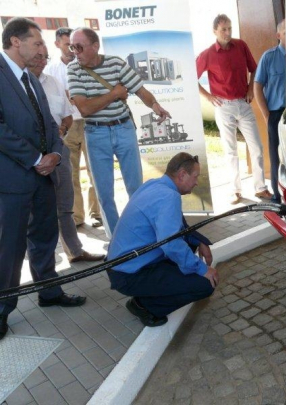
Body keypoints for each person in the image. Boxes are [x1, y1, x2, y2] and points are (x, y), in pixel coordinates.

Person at [0, 18, 86, 340]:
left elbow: (49, 124)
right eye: (36, 43)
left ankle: (49, 292)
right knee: (9, 247)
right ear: (15, 42)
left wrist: (55, 154)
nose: (42, 49)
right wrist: (36, 158)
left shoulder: (31, 79)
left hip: (43, 176)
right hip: (11, 180)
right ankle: (2, 309)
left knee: (45, 237)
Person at [67, 27, 171, 238]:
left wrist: (155, 106)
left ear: (95, 46)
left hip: (124, 129)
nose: (74, 52)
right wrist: (115, 93)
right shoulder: (73, 69)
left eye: (79, 46)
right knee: (104, 194)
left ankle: (143, 234)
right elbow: (84, 108)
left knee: (136, 188)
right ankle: (116, 240)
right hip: (95, 134)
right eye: (72, 47)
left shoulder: (116, 63)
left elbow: (140, 90)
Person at [107, 152, 217, 327]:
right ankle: (143, 305)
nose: (196, 182)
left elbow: (179, 227)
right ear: (182, 174)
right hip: (130, 274)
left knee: (188, 245)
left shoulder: (155, 185)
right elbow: (171, 243)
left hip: (121, 266)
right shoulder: (169, 196)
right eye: (195, 177)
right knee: (205, 285)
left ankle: (153, 290)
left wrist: (199, 241)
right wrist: (202, 269)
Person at [29, 48, 106, 264]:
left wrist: (60, 134)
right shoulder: (15, 85)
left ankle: (75, 251)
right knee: (36, 210)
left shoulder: (53, 82)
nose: (43, 60)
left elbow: (67, 116)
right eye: (38, 55)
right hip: (29, 154)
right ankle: (43, 261)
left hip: (57, 149)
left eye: (45, 56)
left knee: (65, 205)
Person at [196, 14, 272, 205]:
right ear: (215, 31)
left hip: (243, 104)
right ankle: (235, 190)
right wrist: (208, 96)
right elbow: (190, 77)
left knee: (257, 147)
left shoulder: (241, 45)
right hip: (223, 106)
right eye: (223, 29)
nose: (228, 32)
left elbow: (254, 69)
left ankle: (260, 188)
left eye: (229, 28)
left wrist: (249, 90)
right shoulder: (207, 54)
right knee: (230, 151)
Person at [45, 27, 102, 228]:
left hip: (90, 122)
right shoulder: (49, 71)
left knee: (96, 169)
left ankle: (97, 213)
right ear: (57, 44)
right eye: (67, 44)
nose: (72, 48)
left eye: (75, 45)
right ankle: (76, 217)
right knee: (70, 174)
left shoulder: (86, 66)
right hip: (66, 125)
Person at [254, 20, 286, 204]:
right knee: (276, 155)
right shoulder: (269, 57)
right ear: (278, 35)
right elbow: (257, 86)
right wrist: (266, 115)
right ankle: (277, 194)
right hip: (276, 114)